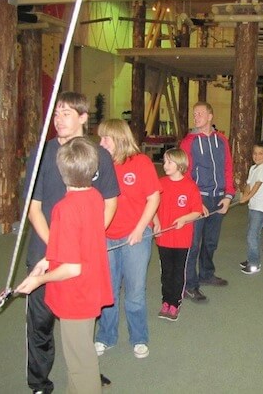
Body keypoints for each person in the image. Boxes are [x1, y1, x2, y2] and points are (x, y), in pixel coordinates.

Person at [23, 92, 119, 394]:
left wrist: (84, 239)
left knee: (79, 321)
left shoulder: (98, 155)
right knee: (41, 322)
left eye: (66, 113)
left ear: (82, 117)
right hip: (45, 248)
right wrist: (58, 247)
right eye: (56, 113)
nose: (59, 118)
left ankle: (84, 373)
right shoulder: (42, 153)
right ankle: (40, 381)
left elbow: (110, 200)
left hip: (80, 256)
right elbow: (33, 208)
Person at [95, 119, 161, 359]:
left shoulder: (141, 162)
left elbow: (154, 199)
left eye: (105, 138)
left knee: (134, 291)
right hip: (106, 237)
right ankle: (105, 336)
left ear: (119, 139)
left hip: (136, 236)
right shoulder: (99, 164)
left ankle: (139, 337)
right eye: (99, 138)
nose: (100, 143)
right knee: (108, 291)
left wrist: (139, 229)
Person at [180, 101, 235, 303]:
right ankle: (190, 285)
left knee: (210, 242)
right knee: (193, 245)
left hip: (219, 197)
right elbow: (184, 175)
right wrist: (195, 202)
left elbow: (228, 168)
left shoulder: (222, 140)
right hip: (199, 197)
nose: (197, 117)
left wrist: (228, 196)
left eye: (201, 113)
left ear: (210, 116)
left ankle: (206, 274)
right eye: (195, 114)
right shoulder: (188, 142)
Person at [153, 148, 202, 321]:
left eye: (169, 162)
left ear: (180, 165)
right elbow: (152, 206)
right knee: (166, 272)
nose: (164, 165)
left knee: (178, 272)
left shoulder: (190, 186)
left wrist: (184, 218)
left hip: (182, 240)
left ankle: (175, 303)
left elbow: (197, 211)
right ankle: (165, 301)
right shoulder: (160, 183)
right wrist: (156, 221)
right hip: (163, 238)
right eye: (164, 161)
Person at [239, 142, 263, 274]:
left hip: (262, 207)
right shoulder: (254, 168)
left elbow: (257, 186)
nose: (257, 156)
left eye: (260, 153)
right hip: (254, 205)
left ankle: (254, 264)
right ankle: (251, 258)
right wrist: (245, 194)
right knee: (252, 232)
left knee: (252, 235)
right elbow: (249, 184)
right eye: (255, 153)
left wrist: (247, 197)